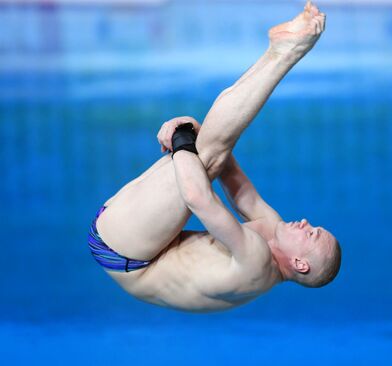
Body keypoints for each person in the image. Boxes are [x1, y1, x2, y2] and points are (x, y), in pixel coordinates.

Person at [88, 1, 341, 313]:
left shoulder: (257, 264)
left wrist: (182, 136)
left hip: (126, 252)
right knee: (212, 154)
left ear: (300, 264)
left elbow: (198, 198)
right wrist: (195, 130)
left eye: (312, 234)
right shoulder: (272, 232)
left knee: (206, 156)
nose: (305, 222)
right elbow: (236, 184)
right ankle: (282, 48)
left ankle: (288, 51)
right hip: (141, 244)